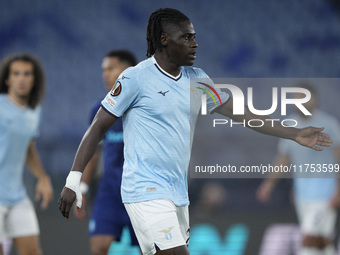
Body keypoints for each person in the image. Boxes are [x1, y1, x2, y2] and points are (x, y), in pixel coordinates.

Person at [58, 8, 333, 255]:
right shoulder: (135, 78)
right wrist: (74, 180)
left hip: (177, 193)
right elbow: (97, 128)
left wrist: (294, 133)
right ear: (164, 39)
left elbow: (243, 115)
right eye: (187, 37)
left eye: (194, 36)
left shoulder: (197, 80)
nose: (195, 43)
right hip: (145, 190)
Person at [257, 83, 340, 255]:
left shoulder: (329, 125)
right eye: (297, 98)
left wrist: (339, 189)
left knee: (309, 239)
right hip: (303, 195)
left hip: (325, 193)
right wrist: (268, 185)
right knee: (322, 241)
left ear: (315, 100)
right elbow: (283, 159)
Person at [73, 50, 139, 255]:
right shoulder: (100, 109)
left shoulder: (144, 106)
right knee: (99, 247)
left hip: (141, 191)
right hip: (110, 191)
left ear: (128, 71)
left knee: (152, 251)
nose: (105, 74)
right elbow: (94, 150)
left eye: (111, 69)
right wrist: (82, 187)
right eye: (104, 70)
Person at [0, 53, 53, 255]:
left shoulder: (34, 111)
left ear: (34, 79)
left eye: (27, 74)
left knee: (32, 252)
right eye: (16, 73)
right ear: (7, 79)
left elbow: (28, 149)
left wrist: (42, 177)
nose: (21, 78)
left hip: (16, 196)